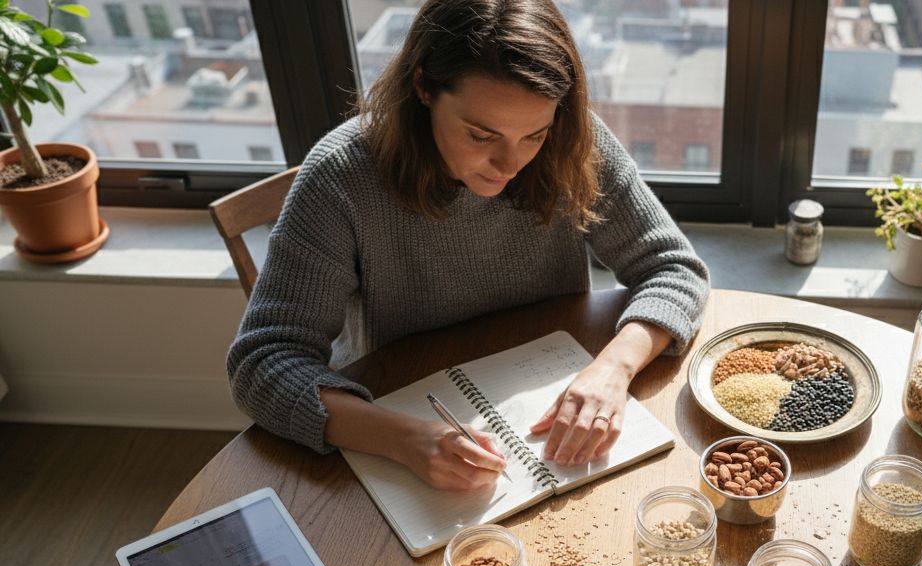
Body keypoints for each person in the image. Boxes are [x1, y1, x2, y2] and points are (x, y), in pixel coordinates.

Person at [226, 0, 709, 492]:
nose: (510, 162)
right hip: (399, 415)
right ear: (423, 87)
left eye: (533, 135)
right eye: (481, 134)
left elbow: (673, 268)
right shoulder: (341, 178)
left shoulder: (572, 141)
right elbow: (263, 362)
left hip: (538, 399)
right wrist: (404, 439)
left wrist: (613, 368)